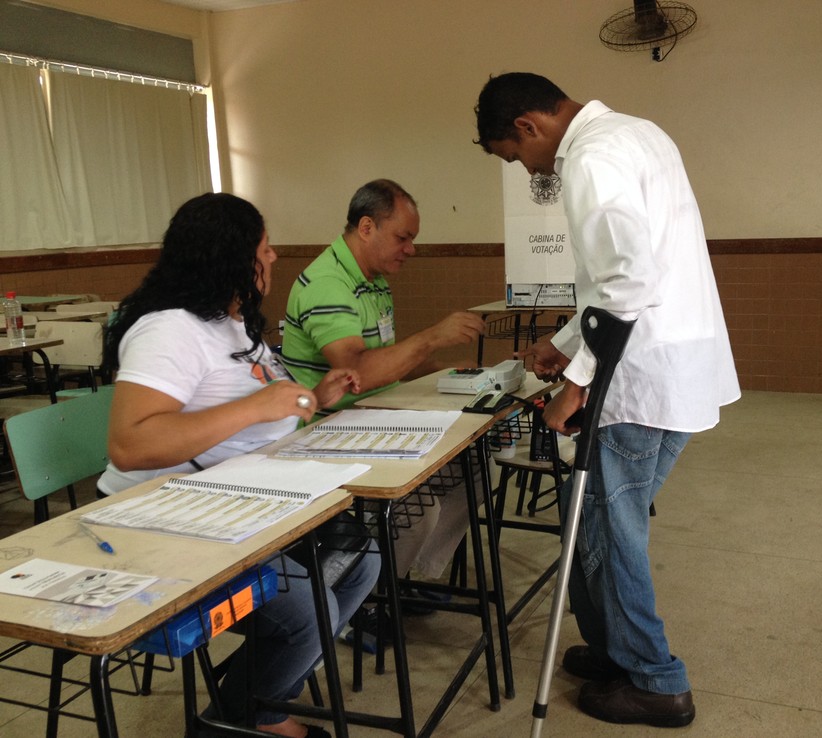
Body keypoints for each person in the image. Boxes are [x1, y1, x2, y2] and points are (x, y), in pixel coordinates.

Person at [474, 73, 740, 728]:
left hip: (641, 376)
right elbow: (626, 276)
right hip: (671, 361)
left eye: (516, 156)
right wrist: (565, 344)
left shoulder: (590, 158)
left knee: (608, 526)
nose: (528, 169)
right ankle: (618, 651)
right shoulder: (638, 133)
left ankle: (655, 679)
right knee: (590, 518)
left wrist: (576, 383)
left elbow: (625, 280)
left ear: (529, 128)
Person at [98, 193, 380, 738]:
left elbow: (261, 406)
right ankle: (250, 716)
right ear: (229, 258)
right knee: (305, 611)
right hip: (158, 521)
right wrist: (257, 406)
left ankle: (248, 707)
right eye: (265, 249)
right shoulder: (168, 330)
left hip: (240, 504)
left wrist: (313, 398)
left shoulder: (231, 322)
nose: (273, 258)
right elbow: (130, 444)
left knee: (359, 556)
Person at [281, 179, 486, 579]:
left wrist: (456, 377)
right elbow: (357, 372)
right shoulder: (328, 283)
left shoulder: (372, 278)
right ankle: (373, 600)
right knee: (418, 509)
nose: (410, 249)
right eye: (403, 238)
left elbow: (390, 361)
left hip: (375, 416)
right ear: (366, 227)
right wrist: (431, 337)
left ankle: (412, 577)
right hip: (331, 426)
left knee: (473, 473)